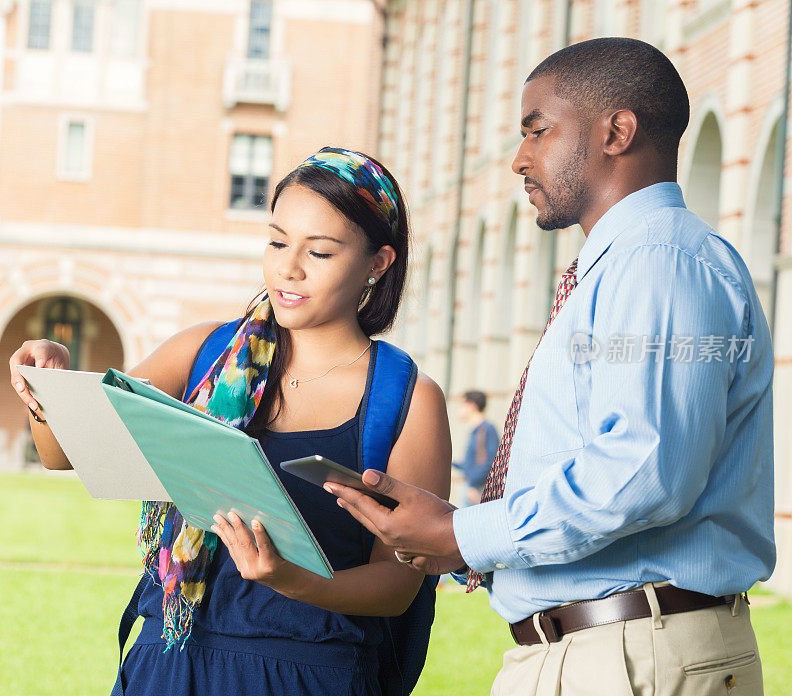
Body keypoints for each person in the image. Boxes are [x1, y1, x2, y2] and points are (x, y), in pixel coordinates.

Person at [325, 38, 774, 696]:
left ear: (616, 131)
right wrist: (450, 531)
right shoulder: (619, 271)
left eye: (537, 132)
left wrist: (463, 533)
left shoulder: (661, 264)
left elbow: (642, 471)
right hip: (597, 652)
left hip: (631, 656)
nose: (518, 159)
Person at [9, 146, 451, 695]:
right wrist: (49, 383)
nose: (288, 268)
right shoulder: (203, 352)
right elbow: (62, 453)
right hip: (168, 660)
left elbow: (397, 583)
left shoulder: (407, 398)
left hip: (305, 674)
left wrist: (296, 583)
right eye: (277, 241)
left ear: (378, 263)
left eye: (320, 251)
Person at [452, 390, 499, 505]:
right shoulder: (476, 430)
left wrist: (473, 484)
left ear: (471, 405)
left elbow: (491, 461)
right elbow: (471, 464)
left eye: (461, 404)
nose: (458, 409)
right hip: (471, 487)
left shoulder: (486, 429)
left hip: (477, 489)